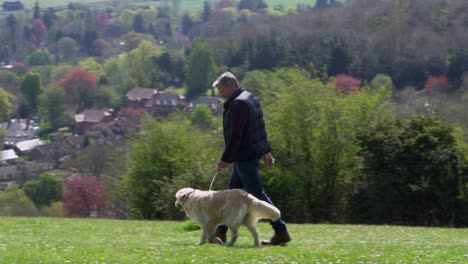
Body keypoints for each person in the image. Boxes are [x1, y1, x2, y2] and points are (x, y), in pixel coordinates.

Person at [212, 71, 291, 246]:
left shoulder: (239, 104)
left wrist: (225, 159)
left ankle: (281, 230)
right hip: (248, 154)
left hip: (244, 156)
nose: (220, 94)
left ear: (231, 86)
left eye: (221, 90)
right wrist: (265, 151)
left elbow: (236, 136)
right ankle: (220, 233)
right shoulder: (249, 97)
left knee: (257, 193)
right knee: (231, 194)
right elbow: (258, 129)